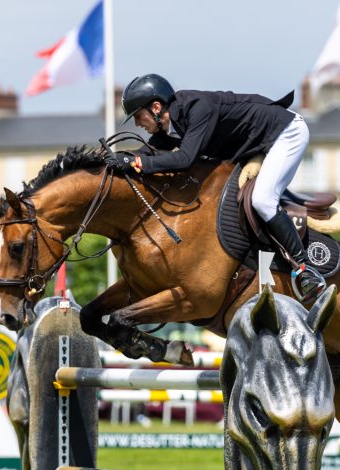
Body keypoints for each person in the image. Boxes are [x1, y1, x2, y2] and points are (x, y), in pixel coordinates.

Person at [106, 74, 326, 304]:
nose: (137, 124)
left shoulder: (198, 109)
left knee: (263, 200)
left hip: (286, 133)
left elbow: (184, 159)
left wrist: (136, 163)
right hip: (261, 142)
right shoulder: (170, 126)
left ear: (157, 107)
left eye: (138, 116)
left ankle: (305, 270)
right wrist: (118, 160)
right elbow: (147, 153)